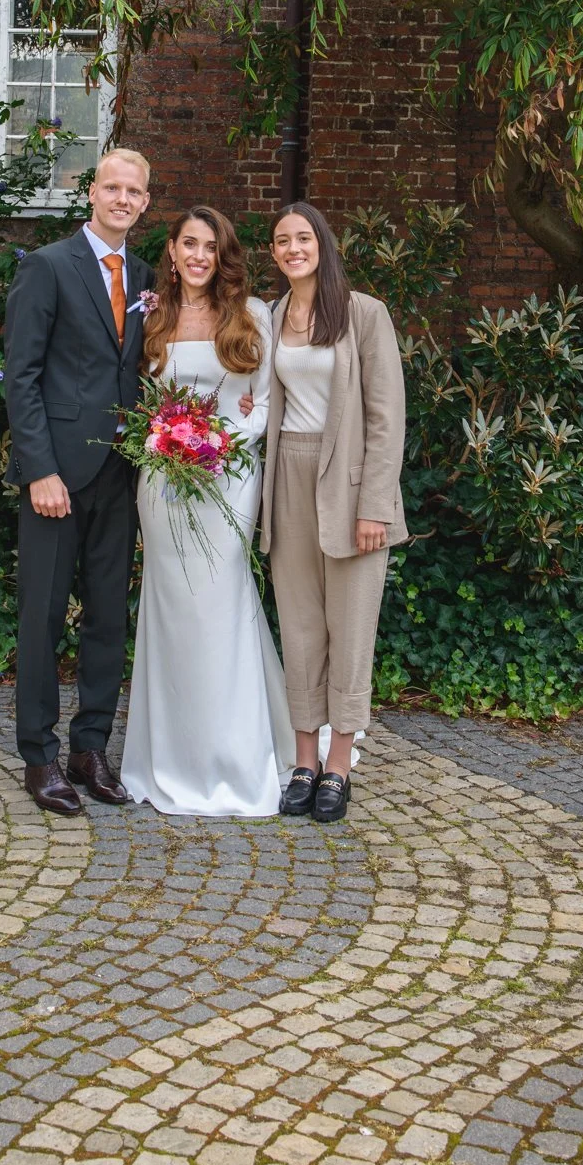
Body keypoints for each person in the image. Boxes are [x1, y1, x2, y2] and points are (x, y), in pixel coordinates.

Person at [121, 207, 294, 816]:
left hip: (229, 477)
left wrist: (215, 444)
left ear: (224, 257)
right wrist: (165, 444)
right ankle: (169, 757)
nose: (199, 256)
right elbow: (139, 398)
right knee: (171, 610)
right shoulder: (150, 315)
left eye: (210, 247)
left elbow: (263, 403)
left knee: (220, 603)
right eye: (189, 244)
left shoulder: (253, 315)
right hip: (162, 481)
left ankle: (234, 760)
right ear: (171, 251)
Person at [2, 149, 155, 816]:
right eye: (112, 187)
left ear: (145, 202)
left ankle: (89, 749)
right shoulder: (46, 267)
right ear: (91, 192)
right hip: (57, 476)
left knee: (107, 619)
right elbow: (22, 375)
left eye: (134, 191)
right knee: (41, 618)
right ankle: (38, 756)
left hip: (121, 472)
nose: (122, 199)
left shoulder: (145, 277)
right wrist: (39, 469)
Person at [260, 201, 406, 824]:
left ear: (322, 243)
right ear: (273, 253)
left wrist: (375, 506)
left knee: (349, 629)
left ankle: (339, 765)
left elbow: (387, 417)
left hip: (349, 484)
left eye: (303, 237)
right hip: (287, 480)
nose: (293, 248)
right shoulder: (271, 316)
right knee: (300, 627)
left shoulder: (363, 313)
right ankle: (304, 761)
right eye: (281, 241)